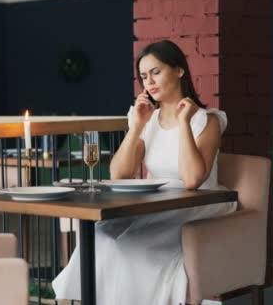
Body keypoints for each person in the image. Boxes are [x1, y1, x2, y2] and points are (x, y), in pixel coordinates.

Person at [52, 40, 238, 305]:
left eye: (156, 71)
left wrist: (184, 123)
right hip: (158, 205)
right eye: (143, 76)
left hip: (197, 204)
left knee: (130, 244)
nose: (148, 81)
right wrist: (137, 127)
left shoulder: (206, 120)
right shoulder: (147, 118)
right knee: (101, 235)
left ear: (179, 70)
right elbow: (119, 172)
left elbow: (193, 179)